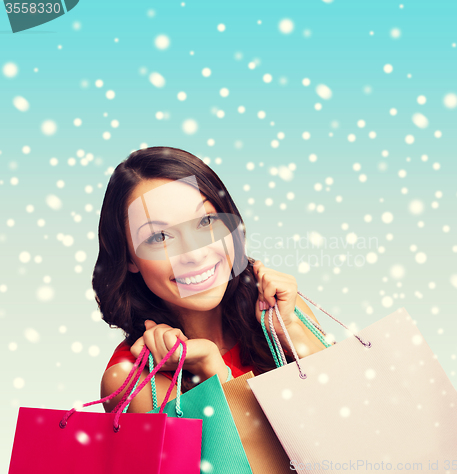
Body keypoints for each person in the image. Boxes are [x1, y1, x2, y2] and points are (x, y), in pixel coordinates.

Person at [95, 146, 328, 414]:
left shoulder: (281, 312)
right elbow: (248, 456)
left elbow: (354, 408)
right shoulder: (132, 380)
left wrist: (290, 329)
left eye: (205, 221)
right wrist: (213, 371)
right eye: (159, 237)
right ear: (129, 259)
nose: (194, 253)